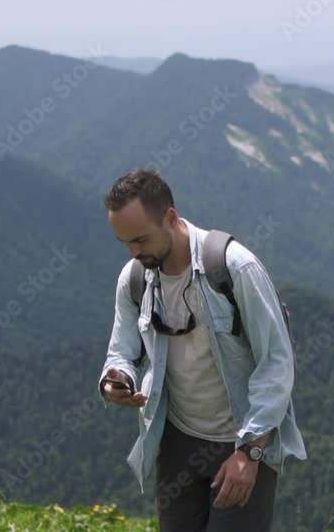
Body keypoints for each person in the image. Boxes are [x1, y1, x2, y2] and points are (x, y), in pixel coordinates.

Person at [97, 169, 306, 532]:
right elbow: (122, 353)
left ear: (171, 218)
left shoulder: (234, 268)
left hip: (242, 442)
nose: (134, 252)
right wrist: (116, 380)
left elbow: (277, 364)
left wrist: (251, 453)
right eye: (125, 243)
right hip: (176, 440)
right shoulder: (134, 279)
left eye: (141, 239)